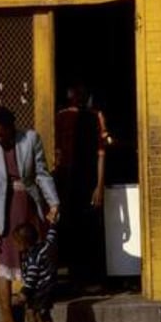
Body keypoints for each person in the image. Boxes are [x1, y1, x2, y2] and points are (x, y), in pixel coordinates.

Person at [0, 104, 60, 322]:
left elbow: (42, 173)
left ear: (12, 127)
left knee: (34, 262)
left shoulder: (30, 139)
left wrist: (53, 203)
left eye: (2, 132)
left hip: (30, 207)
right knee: (6, 264)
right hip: (4, 213)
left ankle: (35, 320)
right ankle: (7, 321)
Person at [54, 82, 110, 292]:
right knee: (69, 225)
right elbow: (56, 151)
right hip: (66, 176)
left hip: (87, 176)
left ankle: (90, 277)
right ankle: (73, 276)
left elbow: (101, 153)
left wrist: (99, 184)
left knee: (89, 225)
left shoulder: (96, 116)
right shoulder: (60, 117)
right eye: (74, 91)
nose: (77, 95)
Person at [13, 221, 60, 322]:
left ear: (24, 243)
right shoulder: (45, 247)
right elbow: (51, 237)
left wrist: (24, 293)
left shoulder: (32, 258)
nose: (15, 246)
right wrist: (52, 225)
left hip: (39, 289)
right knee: (45, 312)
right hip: (49, 287)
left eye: (17, 243)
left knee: (30, 312)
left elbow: (31, 279)